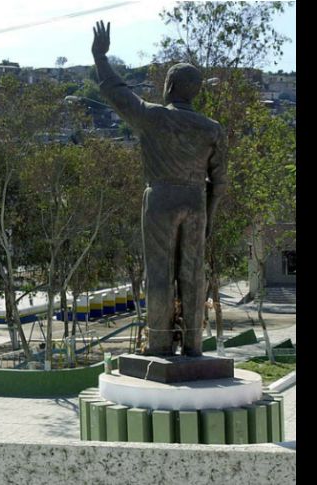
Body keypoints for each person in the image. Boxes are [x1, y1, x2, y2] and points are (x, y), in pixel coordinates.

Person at [91, 20, 228, 356]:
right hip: (196, 201)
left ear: (168, 86)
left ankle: (160, 346)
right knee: (193, 275)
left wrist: (100, 57)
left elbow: (117, 92)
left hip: (161, 198)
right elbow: (219, 181)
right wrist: (207, 217)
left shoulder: (152, 117)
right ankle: (194, 346)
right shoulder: (212, 129)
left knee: (159, 274)